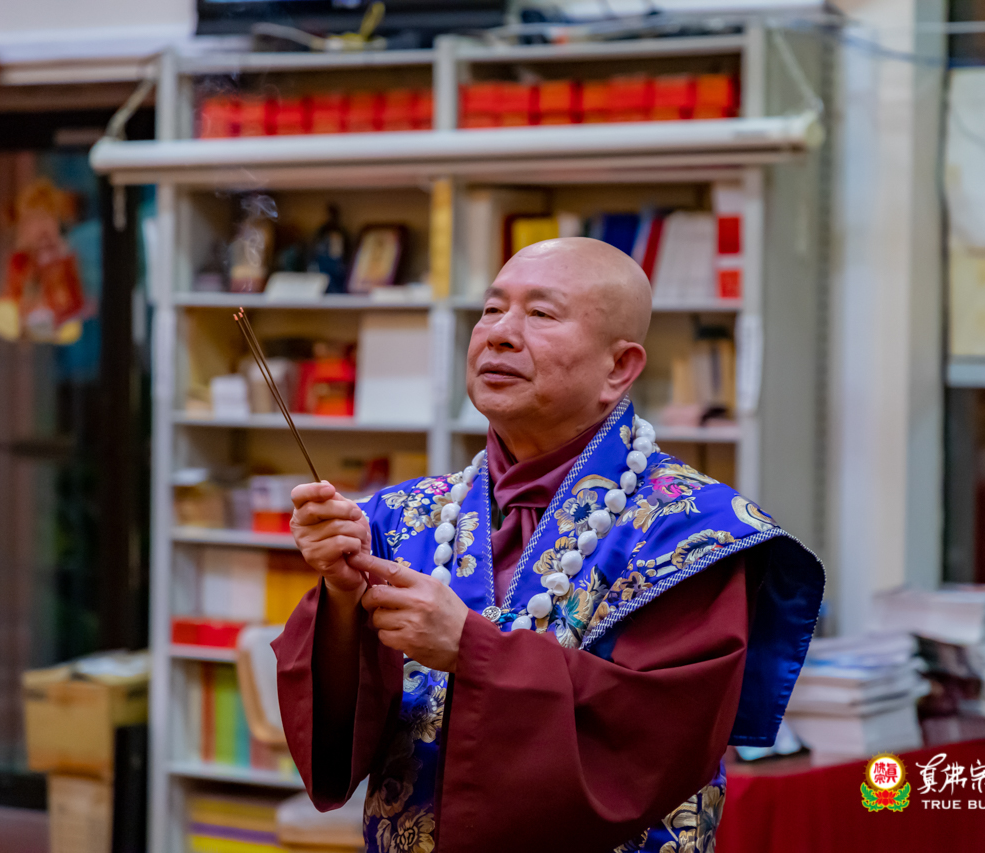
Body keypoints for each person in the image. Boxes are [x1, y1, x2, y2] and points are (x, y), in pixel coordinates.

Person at [275, 237, 824, 853]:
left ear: (619, 368)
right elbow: (336, 734)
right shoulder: (402, 517)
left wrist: (472, 650)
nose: (500, 335)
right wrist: (343, 599)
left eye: (540, 313)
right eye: (491, 310)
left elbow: (658, 736)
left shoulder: (693, 531)